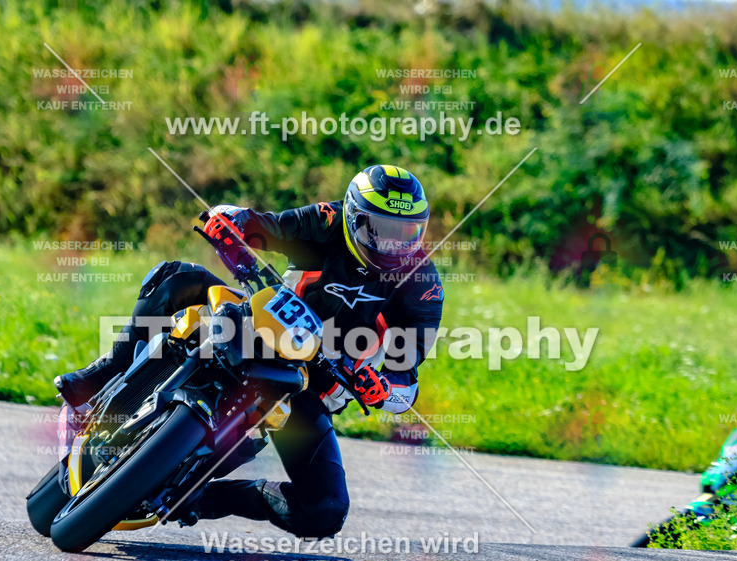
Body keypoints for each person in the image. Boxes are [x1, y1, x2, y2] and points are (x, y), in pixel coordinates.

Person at [54, 164, 444, 538]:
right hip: (260, 321)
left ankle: (197, 497)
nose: (394, 243)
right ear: (353, 217)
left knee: (325, 509)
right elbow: (262, 226)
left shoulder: (421, 283)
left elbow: (407, 379)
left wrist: (379, 385)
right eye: (382, 229)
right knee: (177, 277)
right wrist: (230, 224)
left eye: (406, 231)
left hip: (309, 387)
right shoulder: (328, 221)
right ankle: (104, 374)